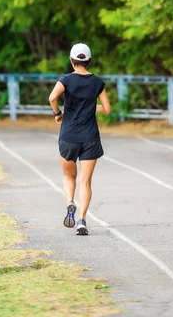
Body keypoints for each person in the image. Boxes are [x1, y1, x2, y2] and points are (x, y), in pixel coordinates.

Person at [48, 43, 111, 235]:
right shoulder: (97, 82)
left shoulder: (66, 80)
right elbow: (107, 109)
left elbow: (52, 97)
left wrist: (58, 113)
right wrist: (91, 108)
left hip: (69, 136)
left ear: (71, 60)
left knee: (69, 175)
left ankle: (69, 202)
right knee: (85, 181)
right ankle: (82, 220)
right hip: (90, 137)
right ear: (89, 60)